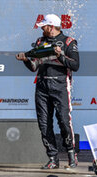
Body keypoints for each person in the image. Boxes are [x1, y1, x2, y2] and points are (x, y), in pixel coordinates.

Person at [16, 14, 79, 169]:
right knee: (44, 124)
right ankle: (52, 158)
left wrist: (60, 55)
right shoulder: (40, 41)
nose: (41, 28)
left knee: (64, 121)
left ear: (51, 27)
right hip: (42, 87)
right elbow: (34, 67)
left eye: (43, 26)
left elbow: (76, 65)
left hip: (61, 86)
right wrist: (25, 60)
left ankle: (72, 155)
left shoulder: (69, 42)